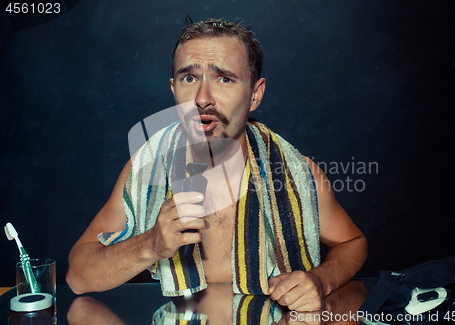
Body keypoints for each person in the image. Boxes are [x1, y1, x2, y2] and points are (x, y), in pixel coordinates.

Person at [66, 18, 367, 312]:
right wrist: (151, 244)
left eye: (224, 78)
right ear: (173, 89)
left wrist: (320, 280)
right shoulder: (147, 168)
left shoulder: (296, 172)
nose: (202, 99)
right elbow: (78, 277)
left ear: (255, 94)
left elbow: (353, 242)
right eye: (189, 78)